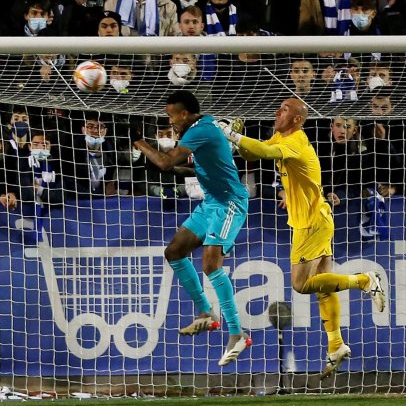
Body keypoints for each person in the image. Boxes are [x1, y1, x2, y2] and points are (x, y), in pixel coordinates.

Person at [219, 97, 387, 378]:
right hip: (315, 219)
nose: (276, 110)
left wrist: (232, 134)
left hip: (310, 223)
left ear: (297, 118)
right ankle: (336, 344)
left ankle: (365, 280)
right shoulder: (280, 135)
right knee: (323, 286)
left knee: (299, 284)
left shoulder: (296, 140)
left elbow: (262, 150)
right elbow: (254, 154)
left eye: (283, 109)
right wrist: (236, 141)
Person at [130, 90, 250, 366]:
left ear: (184, 114)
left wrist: (139, 141)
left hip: (230, 203)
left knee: (210, 264)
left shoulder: (201, 130)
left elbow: (164, 162)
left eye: (171, 116)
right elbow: (194, 169)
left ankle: (237, 334)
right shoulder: (198, 131)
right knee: (174, 252)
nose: (170, 121)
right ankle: (206, 313)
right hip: (211, 204)